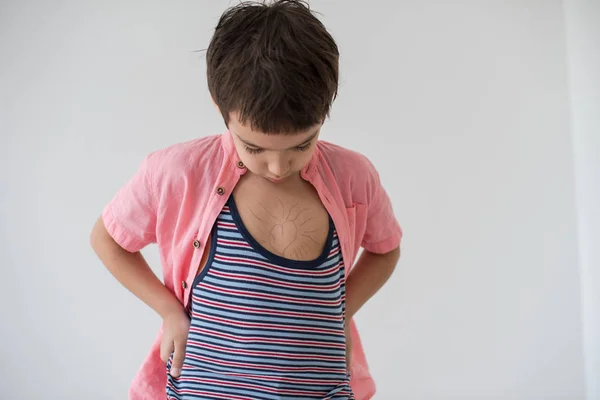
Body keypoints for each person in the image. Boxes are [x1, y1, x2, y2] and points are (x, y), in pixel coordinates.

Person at [90, 1, 402, 399]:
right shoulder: (176, 172)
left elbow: (385, 249)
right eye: (254, 148)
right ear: (220, 106)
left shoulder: (354, 176)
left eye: (302, 145)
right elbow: (108, 240)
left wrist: (342, 313)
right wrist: (169, 312)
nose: (277, 166)